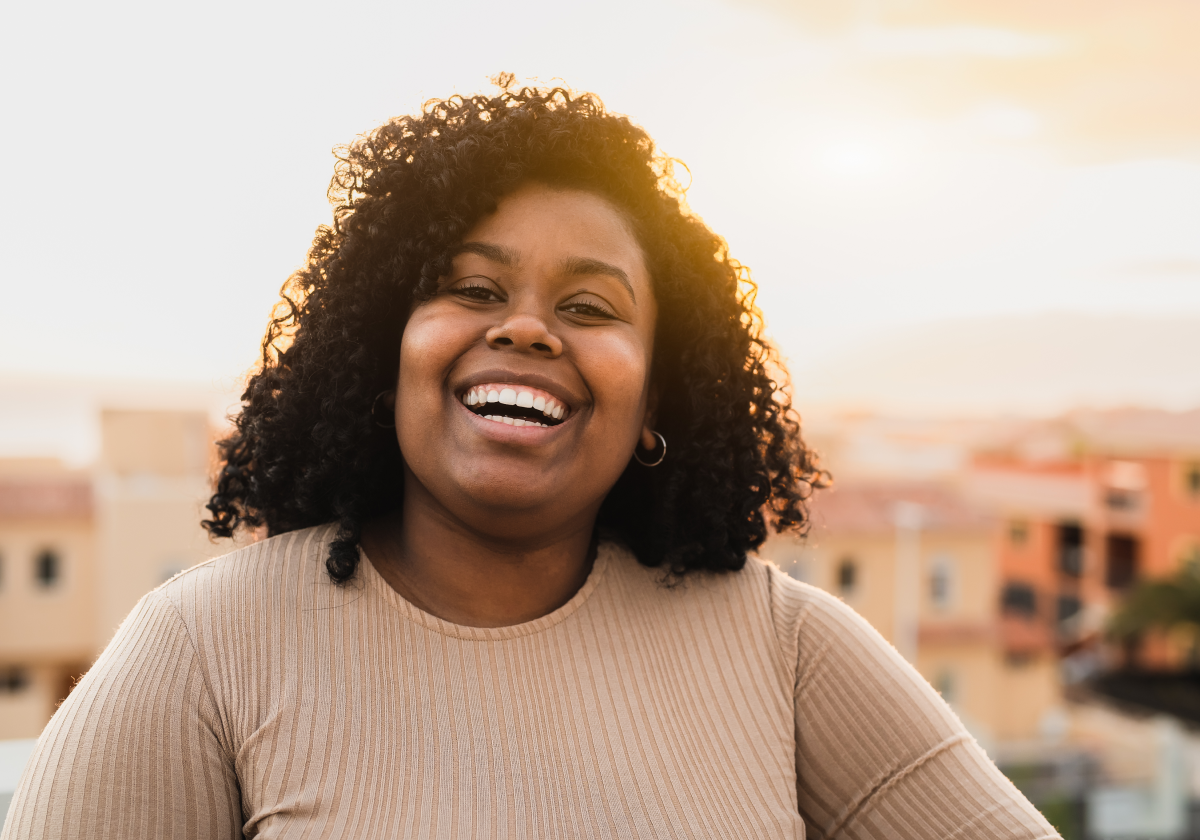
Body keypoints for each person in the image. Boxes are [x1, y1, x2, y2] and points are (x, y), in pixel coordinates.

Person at [2, 80, 1060, 839]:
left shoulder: (783, 646)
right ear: (383, 350)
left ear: (658, 393)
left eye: (590, 306)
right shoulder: (202, 651)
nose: (528, 329)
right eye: (471, 288)